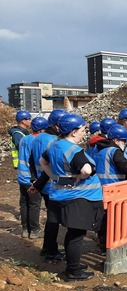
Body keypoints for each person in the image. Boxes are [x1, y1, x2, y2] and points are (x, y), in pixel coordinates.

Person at [41, 113, 104, 281]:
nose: (84, 133)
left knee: (72, 233)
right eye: (83, 130)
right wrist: (79, 177)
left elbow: (43, 162)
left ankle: (73, 263)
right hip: (79, 197)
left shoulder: (55, 145)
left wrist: (55, 177)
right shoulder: (73, 150)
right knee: (76, 235)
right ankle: (73, 270)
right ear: (74, 131)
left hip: (60, 195)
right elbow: (86, 170)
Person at [29, 109, 68, 261]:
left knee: (53, 217)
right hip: (51, 183)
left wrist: (36, 181)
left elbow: (32, 161)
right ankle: (50, 250)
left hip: (42, 182)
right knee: (54, 219)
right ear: (58, 125)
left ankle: (48, 248)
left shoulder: (38, 138)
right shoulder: (55, 142)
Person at [17, 116, 48, 239]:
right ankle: (34, 230)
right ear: (42, 129)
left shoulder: (25, 139)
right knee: (34, 204)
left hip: (21, 175)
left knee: (24, 203)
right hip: (31, 177)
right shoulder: (38, 141)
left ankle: (25, 229)